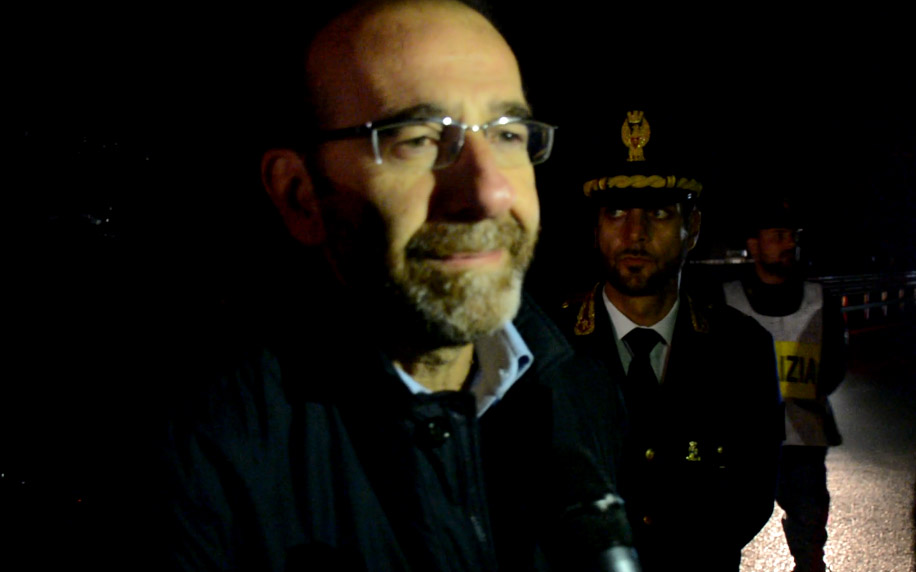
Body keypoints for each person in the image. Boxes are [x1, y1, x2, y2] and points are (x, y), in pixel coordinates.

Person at [156, 2, 630, 571]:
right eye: (418, 139)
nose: (489, 193)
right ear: (301, 195)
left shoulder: (582, 393)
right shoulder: (200, 452)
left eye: (507, 135)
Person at [555, 110, 784, 570]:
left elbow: (755, 491)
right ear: (595, 228)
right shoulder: (548, 351)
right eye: (616, 212)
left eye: (658, 212)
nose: (634, 233)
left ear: (692, 228)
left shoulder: (741, 349)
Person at [723, 199, 845, 572]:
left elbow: (834, 366)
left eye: (792, 236)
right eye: (778, 236)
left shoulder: (819, 300)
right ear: (754, 244)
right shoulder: (726, 300)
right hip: (743, 441)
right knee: (722, 534)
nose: (789, 243)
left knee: (809, 538)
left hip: (804, 440)